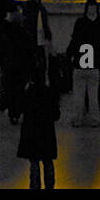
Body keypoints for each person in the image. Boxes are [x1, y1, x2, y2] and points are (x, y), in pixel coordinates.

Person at [18, 57, 60, 189]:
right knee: (48, 162)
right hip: (47, 133)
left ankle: (35, 186)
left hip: (31, 133)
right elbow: (56, 114)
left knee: (34, 163)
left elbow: (20, 108)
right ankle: (50, 186)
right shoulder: (49, 92)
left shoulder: (28, 93)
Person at [67, 0, 100, 126]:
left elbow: (74, 41)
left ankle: (77, 119)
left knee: (79, 94)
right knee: (93, 93)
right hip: (95, 63)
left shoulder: (80, 23)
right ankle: (95, 119)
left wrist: (69, 55)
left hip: (80, 63)